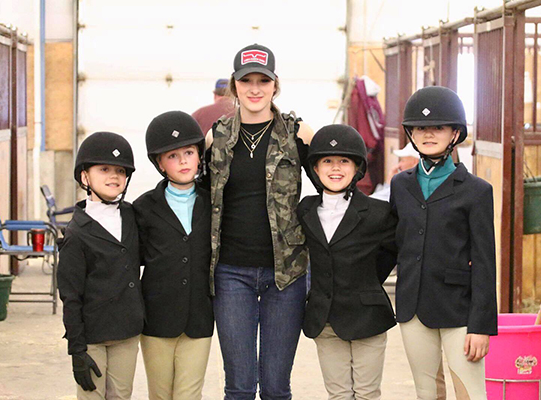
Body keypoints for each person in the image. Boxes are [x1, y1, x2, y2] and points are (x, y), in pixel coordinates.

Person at [205, 43, 314, 399]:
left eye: (262, 81)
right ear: (234, 86)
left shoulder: (298, 134)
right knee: (238, 386)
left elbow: (332, 186)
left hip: (285, 274)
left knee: (275, 386)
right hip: (231, 272)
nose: (254, 88)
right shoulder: (216, 137)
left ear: (275, 85)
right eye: (246, 80)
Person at [389, 86, 497, 400]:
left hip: (459, 311)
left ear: (454, 133)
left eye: (438, 127)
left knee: (471, 393)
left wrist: (481, 325)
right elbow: (392, 243)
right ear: (411, 133)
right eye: (421, 128)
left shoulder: (476, 190)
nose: (428, 133)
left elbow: (485, 261)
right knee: (427, 393)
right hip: (413, 308)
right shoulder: (400, 184)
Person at [298, 124, 397, 399]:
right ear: (315, 169)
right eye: (327, 161)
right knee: (338, 394)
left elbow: (390, 252)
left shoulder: (378, 212)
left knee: (366, 393)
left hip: (368, 318)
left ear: (357, 168)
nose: (335, 168)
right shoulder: (305, 210)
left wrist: (365, 284)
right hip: (325, 319)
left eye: (344, 161)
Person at [133, 111, 214, 400]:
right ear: (159, 163)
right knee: (160, 394)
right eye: (172, 155)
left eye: (189, 152)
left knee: (189, 395)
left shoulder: (213, 204)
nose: (182, 161)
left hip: (199, 319)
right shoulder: (142, 209)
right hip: (157, 319)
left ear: (199, 156)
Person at [57, 131, 144, 400]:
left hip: (127, 332)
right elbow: (71, 296)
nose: (114, 176)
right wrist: (76, 351)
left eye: (120, 170)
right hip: (92, 335)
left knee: (121, 395)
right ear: (85, 177)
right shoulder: (76, 233)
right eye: (104, 169)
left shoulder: (132, 216)